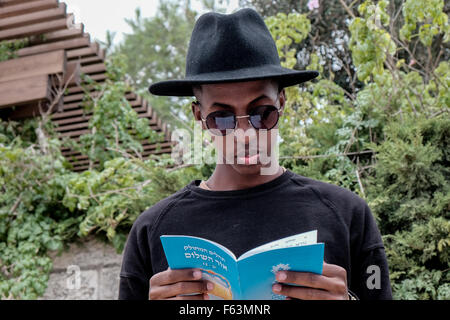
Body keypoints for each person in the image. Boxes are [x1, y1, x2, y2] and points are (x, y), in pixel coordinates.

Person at [118, 8, 392, 300]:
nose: (245, 135)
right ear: (199, 115)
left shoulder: (346, 214)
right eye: (222, 118)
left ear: (282, 102)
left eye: (261, 113)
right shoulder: (153, 230)